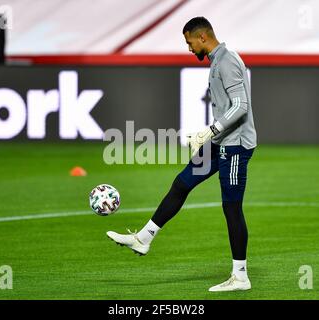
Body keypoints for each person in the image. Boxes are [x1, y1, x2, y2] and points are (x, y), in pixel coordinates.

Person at [107, 16, 257, 292]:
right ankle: (144, 238)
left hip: (235, 145)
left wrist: (210, 130)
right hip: (221, 140)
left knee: (231, 207)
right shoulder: (218, 60)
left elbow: (241, 106)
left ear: (202, 37)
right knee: (182, 182)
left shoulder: (227, 61)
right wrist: (212, 134)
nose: (189, 49)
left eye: (189, 42)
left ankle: (241, 276)